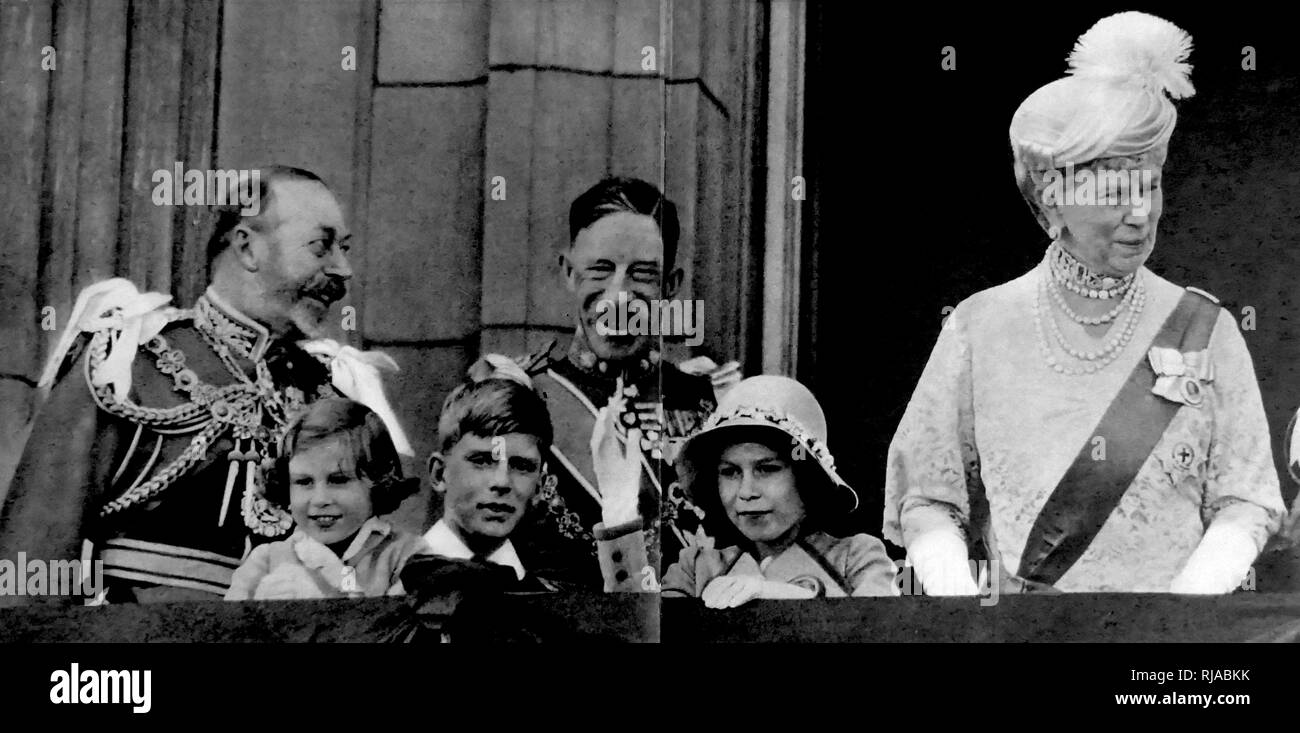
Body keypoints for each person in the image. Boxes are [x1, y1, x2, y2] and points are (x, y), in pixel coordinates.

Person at [884, 12, 1286, 595]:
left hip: (1163, 659)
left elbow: (1245, 501)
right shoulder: (980, 327)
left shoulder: (1206, 329)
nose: (1142, 212)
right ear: (1053, 202)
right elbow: (928, 499)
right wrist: (966, 615)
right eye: (1116, 191)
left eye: (1150, 185)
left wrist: (1180, 615)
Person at [0, 165, 411, 604]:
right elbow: (28, 573)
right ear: (248, 248)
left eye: (344, 249)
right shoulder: (129, 365)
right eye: (321, 246)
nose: (343, 269)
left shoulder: (330, 391)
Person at [502, 177, 731, 589]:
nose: (619, 295)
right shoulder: (517, 399)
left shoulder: (709, 403)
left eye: (643, 274)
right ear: (569, 273)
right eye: (600, 270)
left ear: (671, 287)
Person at [410, 357, 650, 594]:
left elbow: (633, 626)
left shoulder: (559, 597)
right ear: (440, 473)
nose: (502, 482)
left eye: (522, 466)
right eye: (481, 461)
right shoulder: (387, 581)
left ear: (539, 485)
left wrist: (620, 511)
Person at [662, 376, 898, 607]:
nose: (747, 492)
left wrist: (780, 594)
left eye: (767, 469)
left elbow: (879, 628)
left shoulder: (855, 559)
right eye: (731, 472)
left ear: (807, 479)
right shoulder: (696, 569)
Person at [225, 398, 425, 600]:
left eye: (338, 480)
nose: (320, 499)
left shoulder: (408, 557)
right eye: (304, 482)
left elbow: (403, 630)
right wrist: (261, 612)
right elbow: (223, 628)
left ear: (378, 482)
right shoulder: (266, 561)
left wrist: (319, 606)